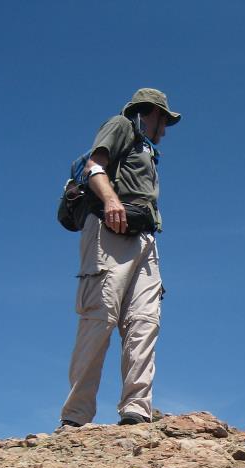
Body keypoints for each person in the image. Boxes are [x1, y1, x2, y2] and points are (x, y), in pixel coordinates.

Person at [60, 88, 181, 427]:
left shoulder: (148, 150)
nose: (165, 130)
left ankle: (136, 410)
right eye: (165, 121)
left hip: (144, 237)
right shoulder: (120, 125)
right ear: (153, 113)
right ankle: (76, 416)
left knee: (145, 320)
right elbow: (94, 166)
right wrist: (111, 201)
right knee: (100, 316)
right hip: (109, 230)